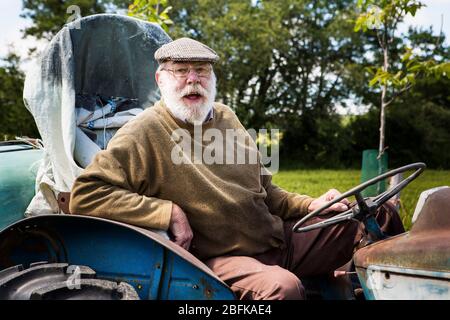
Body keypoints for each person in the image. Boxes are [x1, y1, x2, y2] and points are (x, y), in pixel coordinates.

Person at [69, 37, 404, 300]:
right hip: (222, 259)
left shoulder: (226, 117)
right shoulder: (143, 132)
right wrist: (165, 212)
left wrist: (311, 205)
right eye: (181, 71)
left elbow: (267, 191)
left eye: (201, 71)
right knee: (283, 290)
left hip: (278, 241)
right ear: (160, 79)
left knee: (377, 214)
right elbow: (86, 194)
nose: (192, 80)